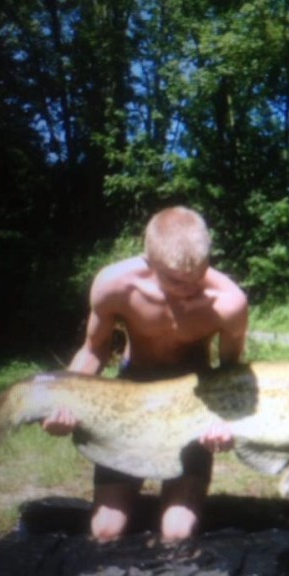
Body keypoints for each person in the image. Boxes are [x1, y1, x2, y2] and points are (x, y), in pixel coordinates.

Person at [42, 206, 248, 543]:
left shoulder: (229, 303)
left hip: (189, 404)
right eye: (176, 281)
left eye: (198, 275)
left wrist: (226, 423)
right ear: (149, 263)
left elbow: (230, 373)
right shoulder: (115, 285)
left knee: (178, 533)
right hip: (129, 398)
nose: (189, 289)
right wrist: (60, 404)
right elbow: (94, 349)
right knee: (106, 531)